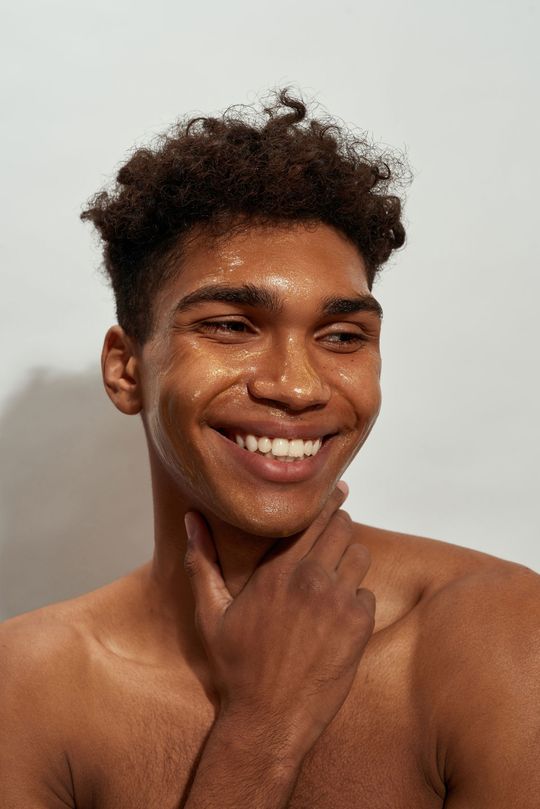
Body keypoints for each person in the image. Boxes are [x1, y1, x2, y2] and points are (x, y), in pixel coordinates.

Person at [0, 90, 538, 809]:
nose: (297, 386)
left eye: (342, 336)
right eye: (230, 326)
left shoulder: (496, 631)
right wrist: (263, 727)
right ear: (127, 368)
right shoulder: (25, 688)